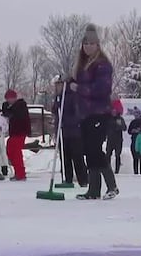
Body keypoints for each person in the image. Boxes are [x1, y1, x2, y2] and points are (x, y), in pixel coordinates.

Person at [70, 23, 119, 200]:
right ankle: (94, 189)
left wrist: (79, 88)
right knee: (89, 150)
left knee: (96, 149)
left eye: (91, 43)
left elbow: (102, 89)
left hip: (99, 112)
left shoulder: (102, 65)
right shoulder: (81, 66)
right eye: (85, 44)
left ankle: (112, 185)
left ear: (97, 45)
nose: (88, 46)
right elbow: (75, 84)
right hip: (85, 114)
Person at [53, 77, 87, 186]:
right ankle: (67, 179)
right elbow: (55, 112)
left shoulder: (73, 97)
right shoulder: (59, 97)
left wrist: (66, 122)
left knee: (77, 157)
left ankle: (83, 180)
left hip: (74, 132)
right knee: (65, 157)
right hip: (62, 133)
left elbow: (78, 114)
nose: (57, 87)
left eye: (59, 85)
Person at [2, 89, 30, 181]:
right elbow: (6, 113)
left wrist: (10, 110)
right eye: (8, 99)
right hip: (13, 133)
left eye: (11, 98)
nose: (9, 100)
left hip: (20, 132)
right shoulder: (8, 106)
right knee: (10, 151)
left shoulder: (21, 105)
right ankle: (18, 171)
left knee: (16, 152)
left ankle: (20, 173)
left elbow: (18, 115)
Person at [106, 99, 126, 174]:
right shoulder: (108, 119)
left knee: (117, 155)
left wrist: (119, 125)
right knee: (108, 154)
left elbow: (124, 128)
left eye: (115, 111)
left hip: (118, 139)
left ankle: (117, 170)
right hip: (110, 139)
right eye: (112, 111)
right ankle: (108, 169)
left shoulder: (120, 119)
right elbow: (105, 128)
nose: (113, 112)